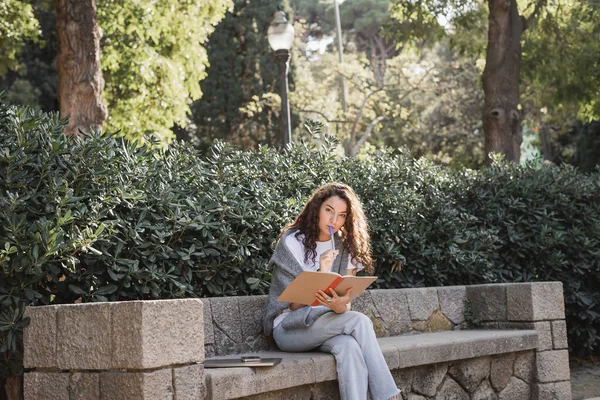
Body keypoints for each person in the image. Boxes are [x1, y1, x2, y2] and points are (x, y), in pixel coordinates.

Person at [262, 183, 400, 400]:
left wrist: (339, 305)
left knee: (350, 347)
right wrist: (321, 273)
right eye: (329, 210)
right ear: (317, 208)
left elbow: (346, 304)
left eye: (342, 215)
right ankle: (388, 396)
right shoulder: (292, 242)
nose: (334, 220)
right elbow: (291, 304)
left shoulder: (346, 246)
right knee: (360, 322)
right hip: (289, 328)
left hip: (325, 325)